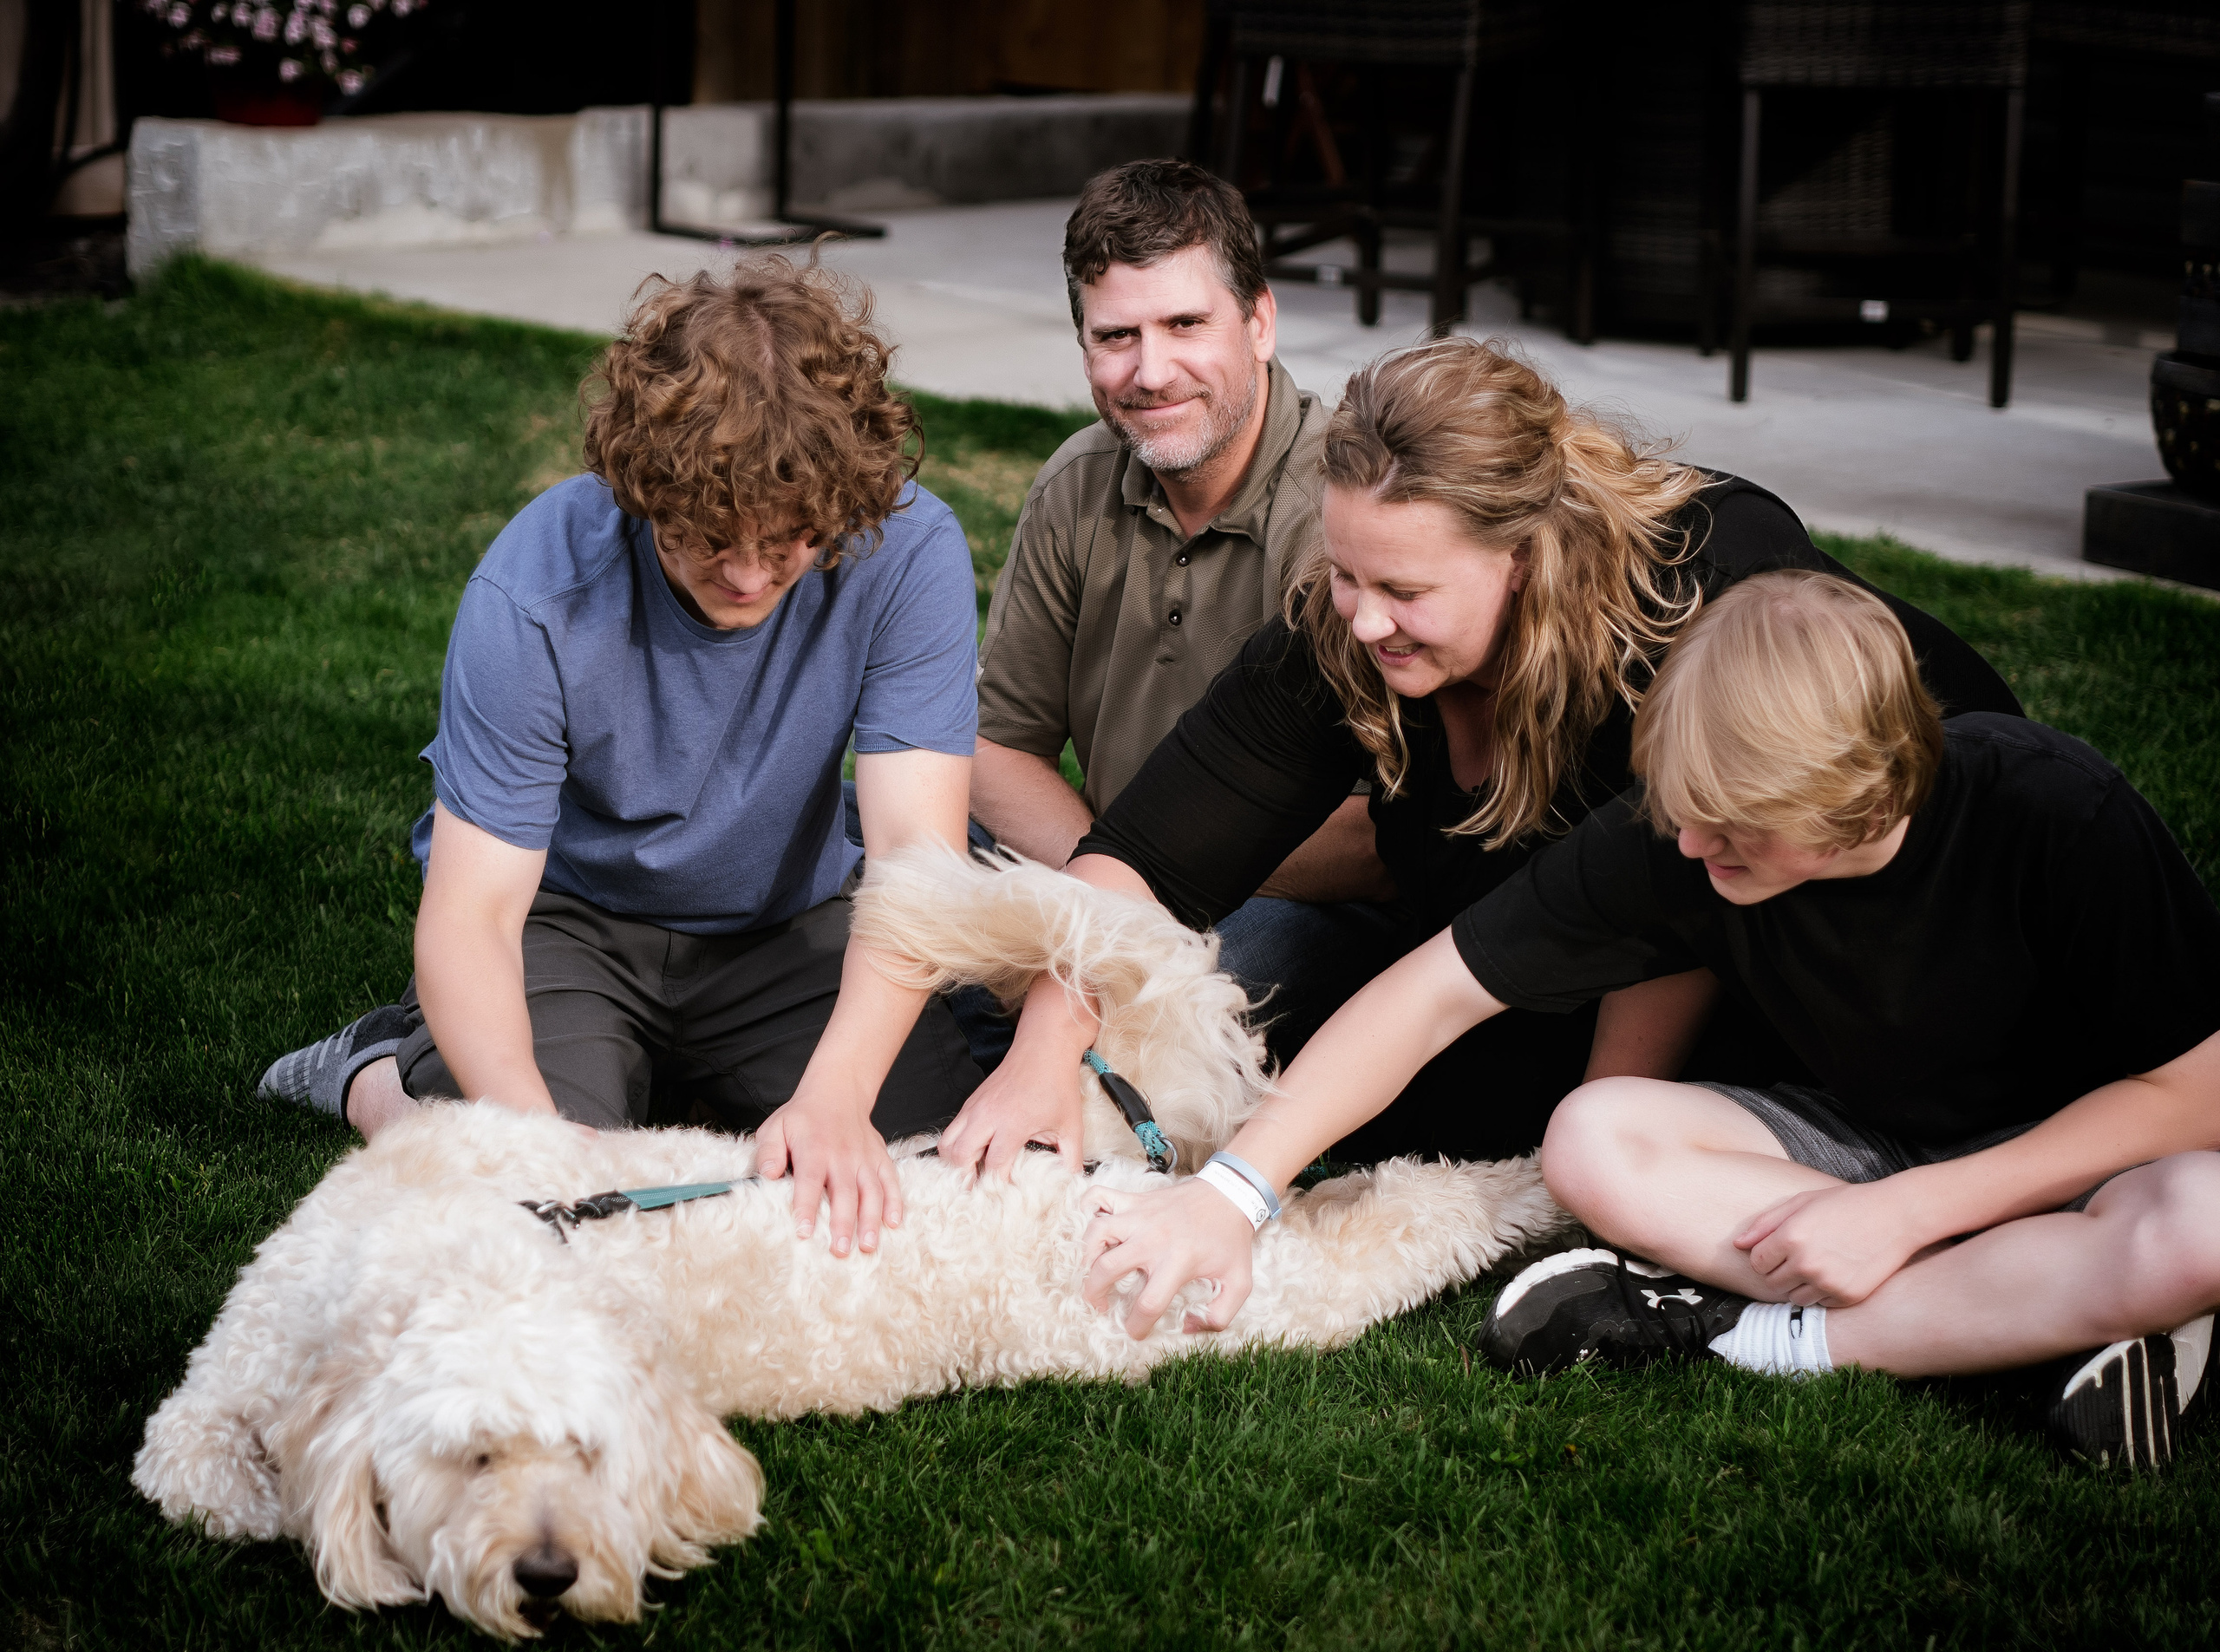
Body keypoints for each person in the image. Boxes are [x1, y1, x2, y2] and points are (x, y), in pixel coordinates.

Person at [1079, 571, 2220, 1469]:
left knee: (2201, 1229)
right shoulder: (1686, 830)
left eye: (1733, 826)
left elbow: (2197, 1092)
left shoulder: (2054, 809)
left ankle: (1777, 1337)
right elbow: (1431, 994)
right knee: (1592, 1138)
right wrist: (1234, 1193)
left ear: (1862, 796)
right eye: (1681, 809)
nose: (1691, 844)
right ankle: (2035, 1316)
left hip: (2083, 1155)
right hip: (1851, 1145)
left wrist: (1912, 1212)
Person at [946, 334, 2022, 1179]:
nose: (1364, 619)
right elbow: (1145, 851)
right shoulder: (1348, 624)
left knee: (1463, 1122)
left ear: (1525, 558)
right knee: (1330, 1086)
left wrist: (1590, 1157)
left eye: (1405, 590)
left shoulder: (1689, 606)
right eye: (1346, 573)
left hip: (1833, 943)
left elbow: (1678, 911)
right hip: (1545, 948)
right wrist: (1043, 1052)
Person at [256, 258, 983, 1260]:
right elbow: (474, 914)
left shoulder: (908, 549)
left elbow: (915, 858)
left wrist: (835, 1100)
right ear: (643, 488)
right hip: (568, 924)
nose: (747, 574)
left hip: (790, 927)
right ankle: (379, 1078)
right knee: (541, 1211)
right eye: (708, 536)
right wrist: (532, 1138)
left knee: (939, 1182)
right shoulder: (535, 589)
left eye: (790, 540)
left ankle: (693, 1084)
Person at [944, 157, 1393, 1106]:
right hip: (1098, 864)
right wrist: (1112, 894)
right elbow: (994, 745)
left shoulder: (1346, 509)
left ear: (1259, 322)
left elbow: (1385, 833)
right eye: (1116, 336)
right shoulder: (1077, 482)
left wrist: (1142, 894)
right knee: (872, 862)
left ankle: (1038, 1066)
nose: (1150, 373)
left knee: (1186, 1000)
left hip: (1284, 900)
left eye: (1185, 325)